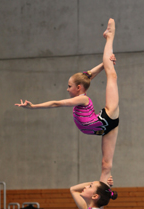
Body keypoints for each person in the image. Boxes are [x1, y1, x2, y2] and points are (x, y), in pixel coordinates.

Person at [15, 18, 119, 184]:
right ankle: (100, 205)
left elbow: (56, 103)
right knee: (106, 165)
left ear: (78, 88)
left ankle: (110, 36)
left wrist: (33, 106)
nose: (67, 89)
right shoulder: (81, 91)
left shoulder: (81, 99)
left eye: (69, 86)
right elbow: (88, 76)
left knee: (111, 75)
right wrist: (103, 64)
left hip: (108, 117)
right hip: (104, 128)